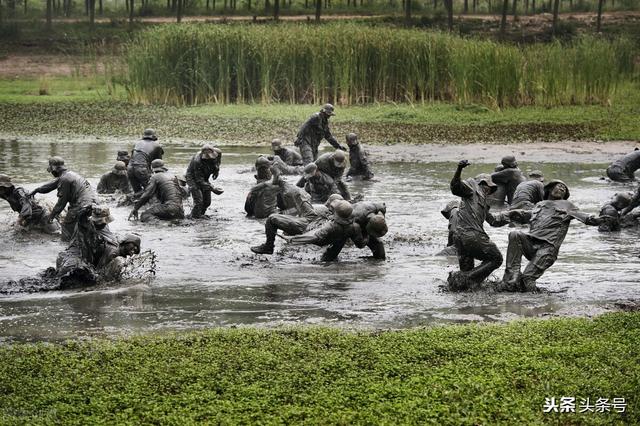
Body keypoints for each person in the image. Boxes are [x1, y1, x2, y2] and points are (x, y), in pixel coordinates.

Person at [500, 180, 602, 292]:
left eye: (564, 189)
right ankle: (511, 278)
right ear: (550, 189)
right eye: (559, 186)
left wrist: (599, 220)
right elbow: (525, 215)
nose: (562, 189)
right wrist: (505, 216)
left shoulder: (567, 205)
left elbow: (585, 217)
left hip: (548, 248)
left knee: (527, 278)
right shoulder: (539, 204)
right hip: (531, 243)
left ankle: (534, 302)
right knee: (515, 234)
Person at [449, 160, 516, 290]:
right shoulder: (472, 188)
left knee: (465, 285)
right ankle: (464, 278)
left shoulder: (483, 202)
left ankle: (464, 286)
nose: (489, 191)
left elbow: (494, 221)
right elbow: (456, 186)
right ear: (482, 183)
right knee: (496, 258)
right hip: (471, 235)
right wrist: (459, 169)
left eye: (491, 190)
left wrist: (511, 215)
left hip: (460, 238)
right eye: (489, 187)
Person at [57, 205, 140, 286]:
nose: (103, 224)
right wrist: (86, 211)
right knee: (70, 274)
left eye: (105, 222)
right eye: (101, 222)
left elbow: (113, 241)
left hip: (90, 256)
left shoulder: (104, 227)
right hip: (75, 255)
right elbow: (80, 217)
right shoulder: (85, 224)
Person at [250, 181, 333, 255]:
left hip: (306, 226)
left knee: (271, 219)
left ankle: (268, 247)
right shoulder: (328, 214)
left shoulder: (296, 195)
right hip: (308, 225)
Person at [29, 156, 97, 241]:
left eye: (51, 171)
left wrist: (51, 216)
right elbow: (51, 185)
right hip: (93, 204)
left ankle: (67, 248)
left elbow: (61, 203)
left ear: (54, 169)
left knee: (66, 227)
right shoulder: (70, 174)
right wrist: (37, 190)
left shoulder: (65, 179)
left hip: (82, 206)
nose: (51, 173)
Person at [283, 200, 366, 261]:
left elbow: (314, 237)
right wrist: (367, 236)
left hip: (324, 244)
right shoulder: (355, 227)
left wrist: (293, 239)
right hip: (336, 249)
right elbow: (360, 244)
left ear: (336, 213)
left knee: (323, 261)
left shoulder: (331, 225)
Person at [185, 144, 224, 219]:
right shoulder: (197, 161)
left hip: (205, 176)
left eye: (211, 157)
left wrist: (216, 170)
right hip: (193, 178)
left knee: (207, 202)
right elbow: (199, 180)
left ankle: (201, 214)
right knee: (199, 201)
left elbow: (218, 161)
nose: (209, 159)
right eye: (207, 158)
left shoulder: (218, 152)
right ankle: (195, 217)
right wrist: (213, 189)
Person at [127, 128, 164, 193]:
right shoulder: (157, 145)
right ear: (154, 136)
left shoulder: (137, 143)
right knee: (150, 190)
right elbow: (158, 163)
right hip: (141, 169)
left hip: (130, 168)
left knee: (137, 192)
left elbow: (132, 156)